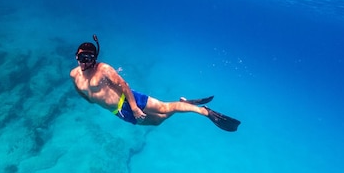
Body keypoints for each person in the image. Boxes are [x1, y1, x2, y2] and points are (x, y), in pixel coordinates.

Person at [70, 35, 241, 132]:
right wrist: (88, 99)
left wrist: (135, 108)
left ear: (94, 58)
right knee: (157, 121)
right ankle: (182, 103)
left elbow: (124, 85)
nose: (83, 63)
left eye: (88, 58)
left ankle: (204, 112)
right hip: (117, 110)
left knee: (164, 108)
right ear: (76, 56)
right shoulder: (74, 74)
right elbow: (81, 90)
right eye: (81, 58)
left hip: (129, 101)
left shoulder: (104, 70)